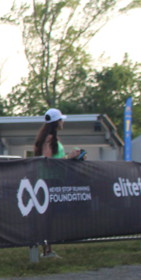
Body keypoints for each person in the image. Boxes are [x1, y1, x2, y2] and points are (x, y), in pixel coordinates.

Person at [33, 108, 84, 258]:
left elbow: (55, 158)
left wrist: (75, 157)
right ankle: (46, 250)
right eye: (61, 120)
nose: (63, 122)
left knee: (51, 216)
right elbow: (48, 161)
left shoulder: (51, 139)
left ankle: (48, 249)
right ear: (57, 122)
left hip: (53, 179)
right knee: (47, 217)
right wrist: (69, 157)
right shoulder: (49, 139)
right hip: (49, 180)